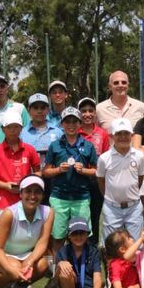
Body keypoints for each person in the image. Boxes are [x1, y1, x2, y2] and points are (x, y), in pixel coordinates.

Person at [42, 107, 97, 259]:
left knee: (82, 235)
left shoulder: (88, 146)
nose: (71, 125)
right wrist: (59, 169)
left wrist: (84, 171)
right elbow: (46, 172)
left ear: (80, 124)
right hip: (59, 198)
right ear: (62, 124)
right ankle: (57, 272)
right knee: (58, 237)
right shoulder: (55, 145)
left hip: (81, 198)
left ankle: (82, 269)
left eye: (74, 121)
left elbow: (96, 171)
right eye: (67, 122)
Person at [0, 111, 41, 229]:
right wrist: (5, 185)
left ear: (21, 128)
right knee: (0, 232)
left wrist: (28, 185)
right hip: (2, 198)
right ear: (3, 129)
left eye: (16, 127)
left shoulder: (30, 150)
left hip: (26, 198)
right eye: (9, 127)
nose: (13, 130)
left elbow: (38, 171)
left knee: (23, 232)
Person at [97, 118, 144, 242]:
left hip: (134, 207)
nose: (123, 137)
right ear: (111, 136)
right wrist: (112, 197)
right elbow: (101, 181)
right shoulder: (104, 158)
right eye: (118, 134)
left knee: (136, 245)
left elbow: (140, 179)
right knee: (111, 245)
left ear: (132, 135)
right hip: (112, 208)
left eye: (126, 133)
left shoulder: (139, 156)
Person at [55, 217, 103, 288]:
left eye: (82, 233)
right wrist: (60, 264)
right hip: (70, 286)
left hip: (88, 287)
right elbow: (55, 279)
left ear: (87, 234)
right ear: (69, 235)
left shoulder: (94, 251)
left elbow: (97, 275)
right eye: (74, 233)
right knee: (64, 268)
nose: (78, 236)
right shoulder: (63, 251)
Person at [77, 96, 111, 246]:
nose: (87, 114)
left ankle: (93, 248)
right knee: (81, 216)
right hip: (79, 180)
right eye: (83, 111)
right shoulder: (75, 132)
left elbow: (106, 156)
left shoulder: (102, 133)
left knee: (95, 215)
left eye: (91, 110)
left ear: (95, 113)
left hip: (97, 181)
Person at [21, 93, 62, 204]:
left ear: (48, 110)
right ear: (29, 110)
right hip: (30, 181)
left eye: (43, 107)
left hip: (54, 182)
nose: (39, 111)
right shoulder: (22, 133)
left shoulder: (58, 132)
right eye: (35, 107)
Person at [0, 74, 30, 144]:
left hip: (17, 153)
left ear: (7, 89)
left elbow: (28, 132)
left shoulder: (20, 108)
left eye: (2, 86)